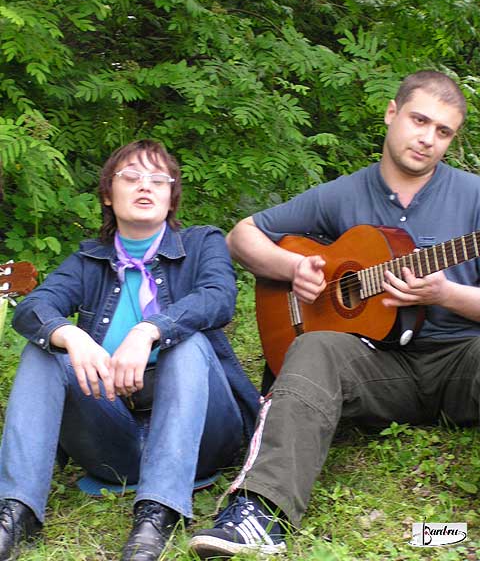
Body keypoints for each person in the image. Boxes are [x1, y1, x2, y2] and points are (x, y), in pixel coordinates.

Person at [188, 70, 480, 557]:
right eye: (419, 120)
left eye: (443, 131)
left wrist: (446, 295)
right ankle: (260, 514)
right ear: (391, 113)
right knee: (313, 346)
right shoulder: (343, 194)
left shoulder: (473, 196)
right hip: (378, 367)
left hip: (462, 360)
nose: (428, 138)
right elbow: (242, 236)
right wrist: (295, 267)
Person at [0, 139, 259, 561]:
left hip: (202, 435)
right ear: (108, 193)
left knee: (187, 342)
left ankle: (158, 513)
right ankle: (16, 511)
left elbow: (218, 297)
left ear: (171, 196)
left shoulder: (202, 243)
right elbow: (33, 308)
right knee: (42, 349)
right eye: (132, 176)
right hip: (115, 434)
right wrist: (71, 335)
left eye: (159, 179)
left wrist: (149, 330)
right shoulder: (88, 261)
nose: (146, 185)